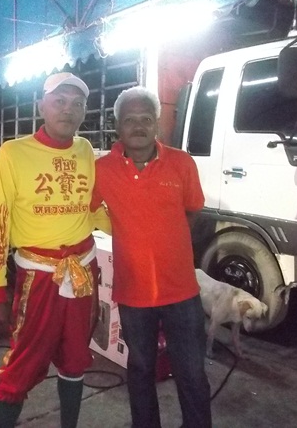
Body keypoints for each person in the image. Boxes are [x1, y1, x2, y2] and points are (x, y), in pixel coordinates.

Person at [91, 86, 212, 428]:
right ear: (117, 125)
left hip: (182, 292)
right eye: (130, 120)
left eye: (146, 119)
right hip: (133, 293)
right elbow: (80, 209)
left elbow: (192, 210)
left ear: (157, 123)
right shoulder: (101, 170)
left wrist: (166, 244)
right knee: (141, 369)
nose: (139, 126)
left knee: (191, 372)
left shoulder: (182, 163)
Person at [0, 72, 100, 428]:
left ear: (84, 112)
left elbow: (92, 208)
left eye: (77, 104)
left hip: (83, 271)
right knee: (22, 363)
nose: (68, 110)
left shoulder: (86, 150)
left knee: (75, 358)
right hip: (38, 276)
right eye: (59, 101)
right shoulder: (13, 153)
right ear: (41, 107)